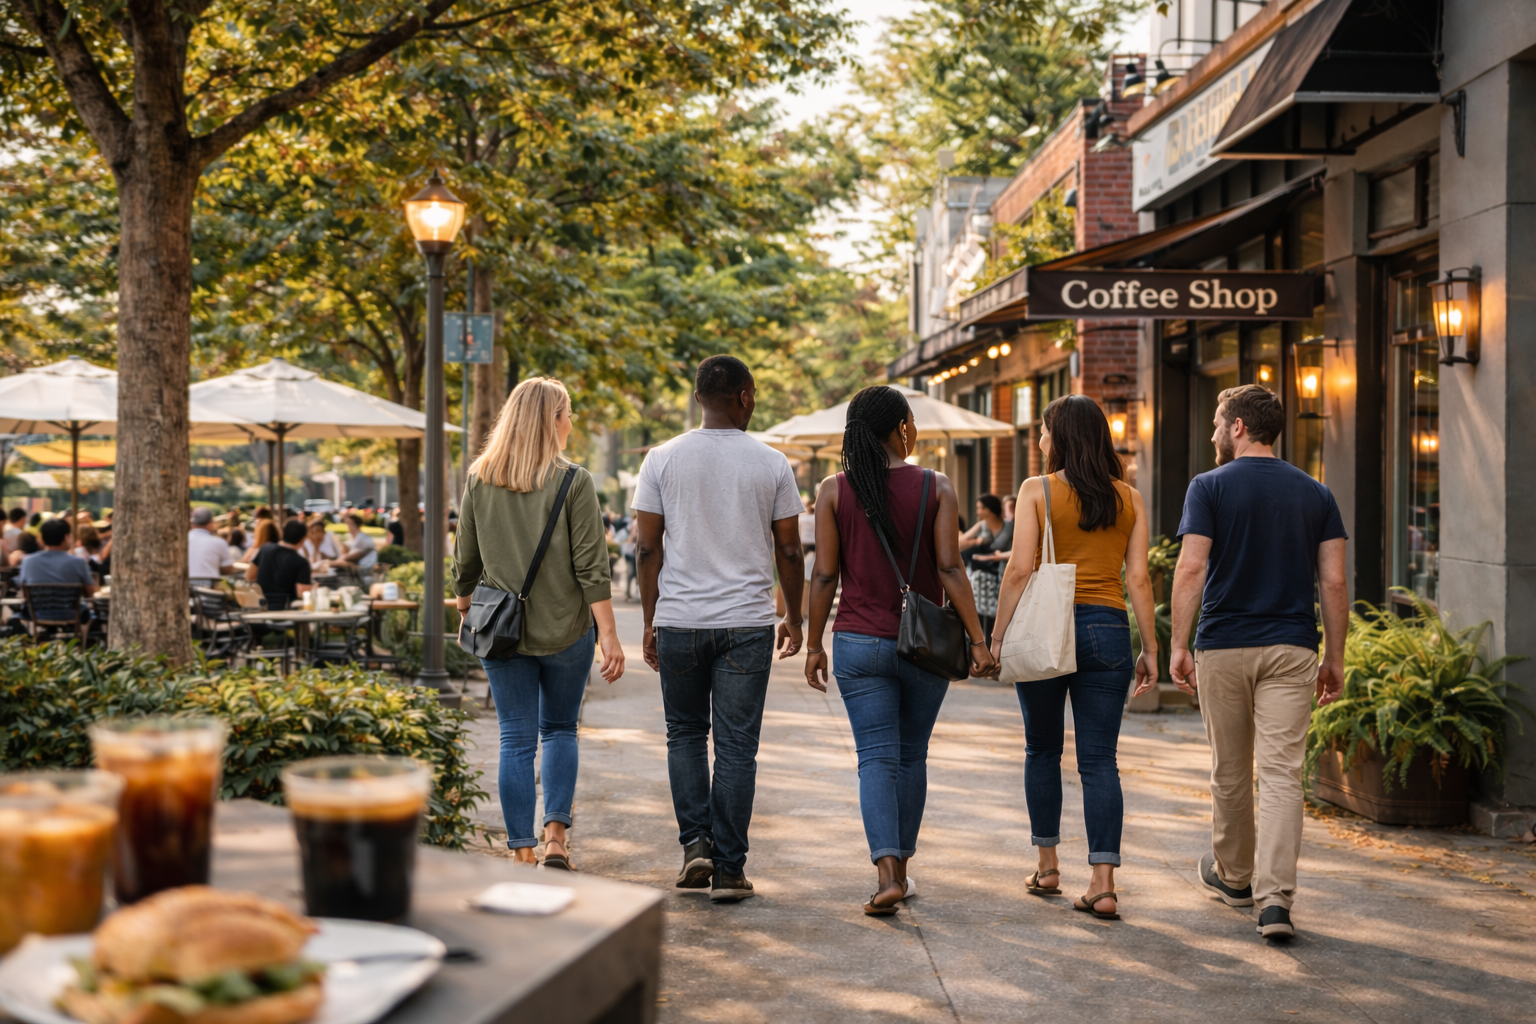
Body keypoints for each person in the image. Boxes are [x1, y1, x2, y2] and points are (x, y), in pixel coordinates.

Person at [803, 386, 994, 916]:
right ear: (902, 428)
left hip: (859, 644)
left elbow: (824, 575)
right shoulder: (937, 486)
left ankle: (887, 871)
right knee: (911, 756)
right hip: (924, 646)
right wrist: (978, 642)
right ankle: (903, 869)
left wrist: (814, 643)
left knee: (876, 759)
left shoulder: (834, 490)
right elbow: (952, 568)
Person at [1168, 384, 1348, 941]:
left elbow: (1192, 568)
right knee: (1280, 775)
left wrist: (1177, 643)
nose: (1215, 433)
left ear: (1240, 427)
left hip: (1223, 643)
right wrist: (1335, 658)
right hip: (1292, 647)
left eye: (1220, 423)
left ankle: (1235, 878)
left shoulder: (1208, 487)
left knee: (1229, 768)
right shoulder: (1316, 493)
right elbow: (1335, 580)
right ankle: (1275, 904)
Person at [634, 355, 805, 903]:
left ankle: (696, 848)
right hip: (747, 624)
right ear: (746, 395)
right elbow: (790, 549)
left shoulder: (661, 459)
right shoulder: (772, 463)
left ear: (698, 397)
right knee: (736, 747)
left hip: (681, 619)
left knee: (685, 734)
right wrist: (794, 616)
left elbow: (646, 548)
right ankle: (730, 870)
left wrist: (650, 620)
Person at [990, 395, 1158, 921]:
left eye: (1043, 431)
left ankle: (1047, 867)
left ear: (1058, 437)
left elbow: (1019, 570)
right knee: (1099, 760)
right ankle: (1103, 885)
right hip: (1108, 629)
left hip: (1047, 627)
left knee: (1042, 749)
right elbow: (1137, 579)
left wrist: (995, 639)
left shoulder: (1037, 490)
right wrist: (1149, 647)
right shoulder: (1128, 497)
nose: (1039, 440)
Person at [454, 377, 624, 870]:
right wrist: (608, 635)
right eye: (567, 414)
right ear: (552, 420)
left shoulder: (479, 478)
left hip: (499, 632)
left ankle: (520, 849)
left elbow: (465, 560)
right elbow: (592, 567)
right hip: (567, 629)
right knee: (559, 731)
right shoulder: (575, 481)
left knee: (514, 737)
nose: (571, 424)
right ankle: (555, 840)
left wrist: (466, 606)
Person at [16, 518, 96, 623]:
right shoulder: (79, 562)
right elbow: (90, 593)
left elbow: (25, 593)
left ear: (43, 539)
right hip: (71, 615)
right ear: (66, 538)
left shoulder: (28, 561)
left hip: (37, 614)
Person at [963, 495, 1010, 643]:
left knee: (1000, 616)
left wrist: (997, 557)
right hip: (981, 579)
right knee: (982, 616)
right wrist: (977, 541)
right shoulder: (981, 526)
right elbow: (959, 543)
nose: (977, 511)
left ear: (988, 510)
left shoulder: (1010, 526)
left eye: (979, 507)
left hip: (1003, 576)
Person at [245, 518, 313, 610]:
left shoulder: (265, 549)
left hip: (260, 608)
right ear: (304, 539)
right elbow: (302, 593)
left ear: (282, 532)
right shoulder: (301, 562)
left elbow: (249, 576)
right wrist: (314, 588)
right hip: (287, 612)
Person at [189, 507, 238, 586]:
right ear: (211, 523)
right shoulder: (219, 542)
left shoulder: (182, 541)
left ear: (192, 523)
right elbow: (228, 570)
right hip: (210, 591)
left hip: (185, 588)